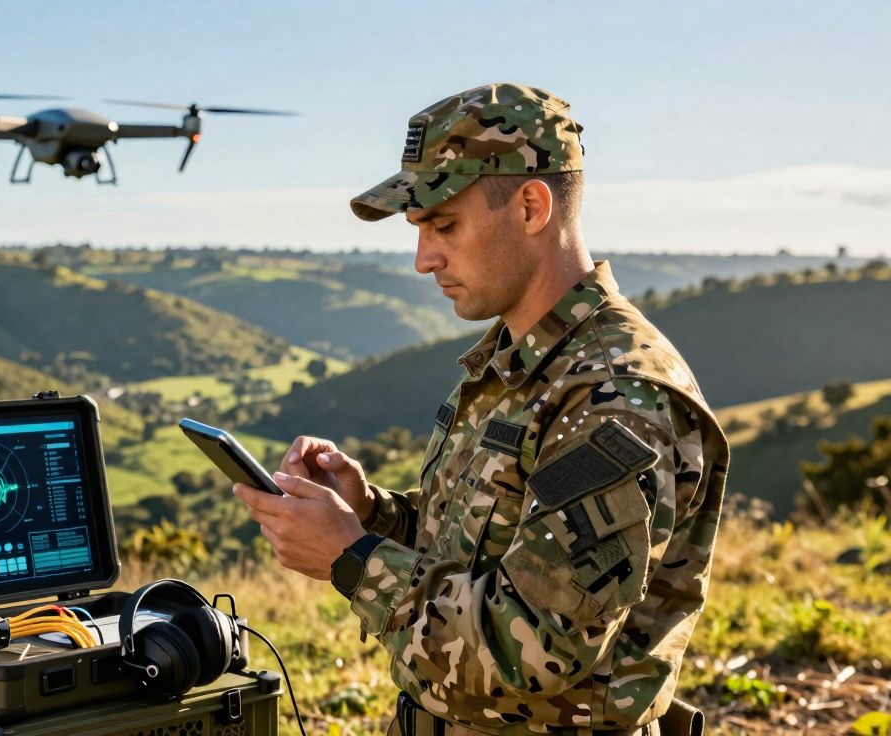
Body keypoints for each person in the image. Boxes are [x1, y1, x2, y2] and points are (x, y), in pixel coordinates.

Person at [231, 83, 729, 736]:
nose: (423, 259)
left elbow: (536, 645)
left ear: (530, 205)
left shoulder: (614, 396)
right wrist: (371, 512)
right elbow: (476, 558)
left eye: (444, 225)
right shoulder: (516, 363)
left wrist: (353, 557)